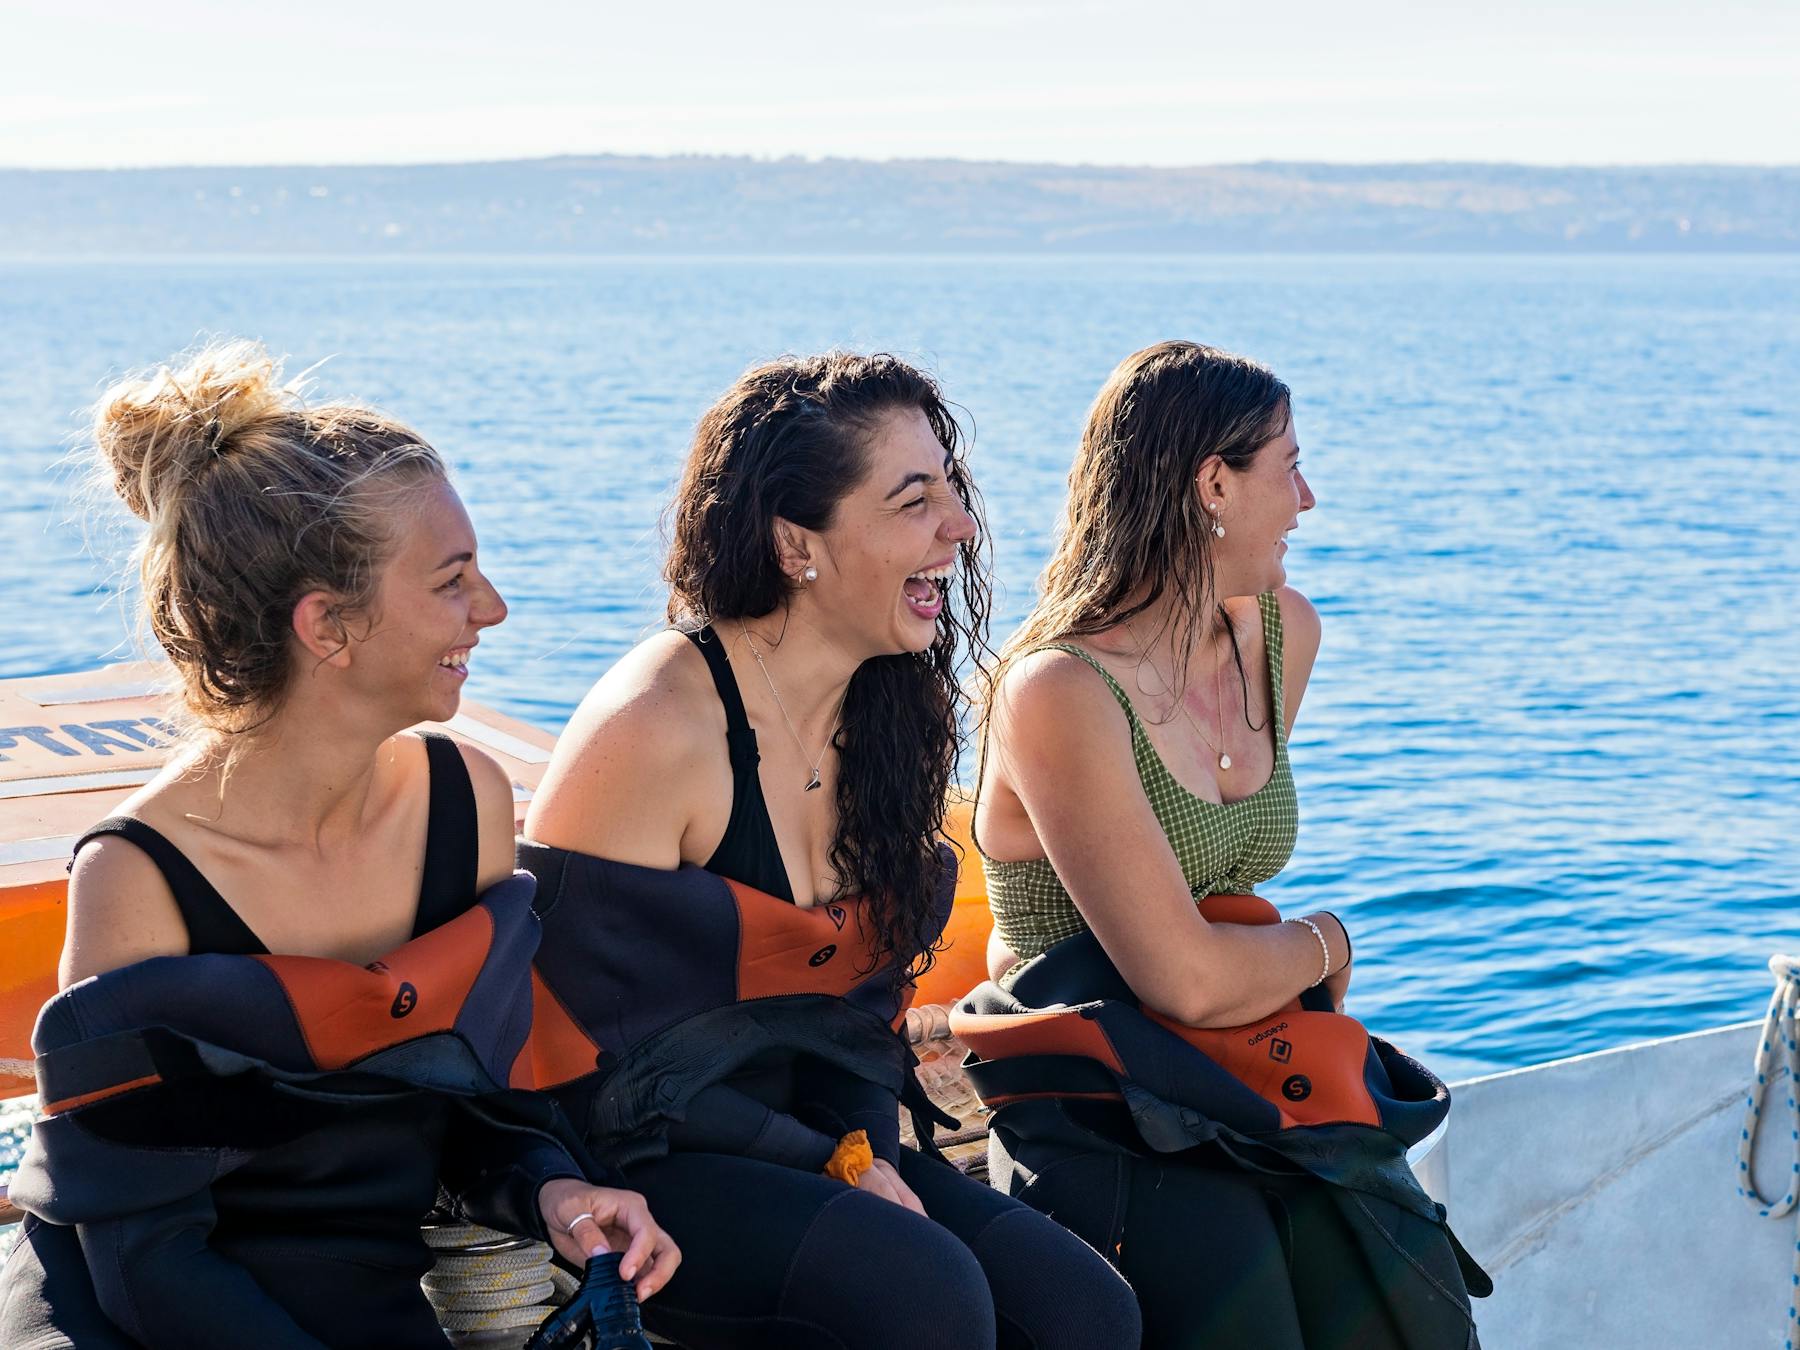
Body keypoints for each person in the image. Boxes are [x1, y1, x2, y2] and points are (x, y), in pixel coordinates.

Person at [0, 342, 677, 1349]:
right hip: (139, 1312)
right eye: (453, 581)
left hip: (359, 1286)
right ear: (328, 625)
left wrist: (555, 1190)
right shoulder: (137, 878)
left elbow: (481, 1100)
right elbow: (145, 1258)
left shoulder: (468, 805)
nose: (491, 610)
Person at [522, 353, 1141, 1350]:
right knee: (922, 1292)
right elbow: (589, 1071)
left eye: (954, 489)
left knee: (1086, 1311)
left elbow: (861, 1016)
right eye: (914, 500)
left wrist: (858, 1151)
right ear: (794, 542)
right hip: (639, 1158)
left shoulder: (893, 711)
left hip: (818, 1145)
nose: (962, 527)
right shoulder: (658, 723)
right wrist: (842, 1161)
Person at [968, 340, 1485, 1349]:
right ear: (1214, 483)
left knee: (1413, 1296)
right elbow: (1185, 982)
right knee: (1244, 1289)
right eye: (1287, 465)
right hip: (1097, 1085)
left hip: (1230, 1065)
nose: (1307, 498)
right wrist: (1326, 943)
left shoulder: (1284, 635)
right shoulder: (1059, 690)